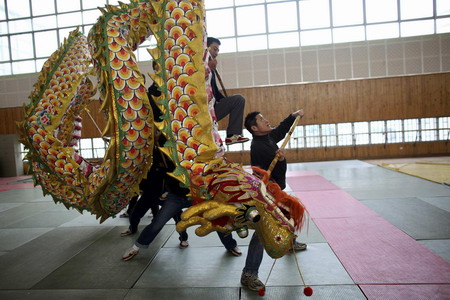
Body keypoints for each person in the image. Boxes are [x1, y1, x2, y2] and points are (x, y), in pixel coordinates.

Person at [237, 109, 307, 292]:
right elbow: (276, 173)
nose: (266, 120)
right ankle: (249, 273)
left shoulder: (266, 138)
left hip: (275, 189)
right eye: (261, 120)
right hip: (265, 192)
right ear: (254, 128)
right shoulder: (259, 147)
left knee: (288, 210)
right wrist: (282, 160)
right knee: (262, 231)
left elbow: (281, 129)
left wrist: (292, 116)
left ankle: (289, 242)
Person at [207, 37, 248, 146]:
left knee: (237, 100)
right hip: (201, 111)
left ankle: (232, 136)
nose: (216, 53)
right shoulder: (197, 65)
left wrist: (228, 102)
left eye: (218, 50)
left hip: (212, 109)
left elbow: (215, 91)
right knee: (238, 99)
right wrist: (208, 68)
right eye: (214, 49)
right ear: (206, 48)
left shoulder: (212, 69)